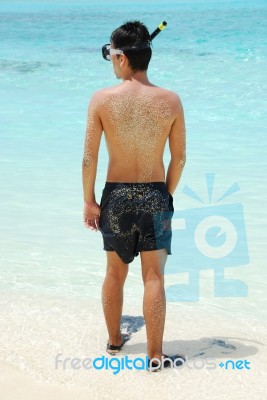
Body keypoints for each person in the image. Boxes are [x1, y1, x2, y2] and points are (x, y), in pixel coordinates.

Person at [82, 20, 186, 369]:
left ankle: (114, 342)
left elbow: (89, 157)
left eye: (110, 55)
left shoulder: (101, 100)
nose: (111, 62)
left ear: (123, 58)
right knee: (154, 276)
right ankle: (155, 356)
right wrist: (164, 197)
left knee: (114, 273)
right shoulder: (170, 100)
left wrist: (89, 200)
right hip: (155, 194)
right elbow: (180, 158)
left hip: (116, 198)